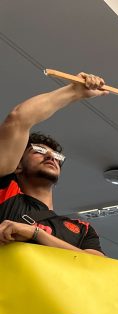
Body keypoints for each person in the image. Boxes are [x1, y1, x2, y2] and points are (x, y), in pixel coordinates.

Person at [0, 73, 107, 254]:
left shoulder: (82, 229)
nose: (51, 157)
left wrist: (36, 234)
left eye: (56, 155)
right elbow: (19, 119)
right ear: (17, 165)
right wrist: (74, 91)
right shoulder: (6, 193)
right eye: (39, 151)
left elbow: (100, 268)